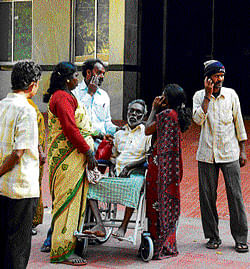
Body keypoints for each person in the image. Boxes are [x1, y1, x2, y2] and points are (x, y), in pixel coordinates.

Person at [43, 62, 99, 266]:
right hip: (68, 158)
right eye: (75, 75)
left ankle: (68, 244)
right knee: (66, 203)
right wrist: (88, 152)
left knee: (73, 201)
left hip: (72, 157)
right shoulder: (62, 97)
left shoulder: (67, 96)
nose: (78, 79)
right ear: (67, 79)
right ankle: (61, 251)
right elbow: (69, 128)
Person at [192, 60, 248, 253]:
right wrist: (207, 97)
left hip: (229, 152)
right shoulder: (199, 96)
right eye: (216, 76)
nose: (220, 80)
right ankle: (213, 237)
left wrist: (243, 150)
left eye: (222, 76)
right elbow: (198, 120)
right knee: (207, 198)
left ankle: (241, 238)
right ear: (208, 78)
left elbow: (239, 122)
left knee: (235, 196)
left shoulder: (231, 95)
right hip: (206, 154)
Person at [85, 99, 151, 238]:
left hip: (136, 172)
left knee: (134, 185)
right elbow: (113, 156)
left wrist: (129, 167)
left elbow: (148, 157)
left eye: (138, 112)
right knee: (91, 185)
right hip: (118, 174)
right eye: (131, 111)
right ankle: (99, 224)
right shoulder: (119, 134)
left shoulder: (147, 133)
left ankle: (123, 226)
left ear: (144, 116)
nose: (133, 114)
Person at [0, 61, 41, 269]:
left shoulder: (2, 105)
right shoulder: (26, 109)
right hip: (21, 189)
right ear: (33, 84)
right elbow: (18, 153)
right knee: (18, 249)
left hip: (3, 188)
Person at [145, 84, 191, 259]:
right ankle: (168, 242)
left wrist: (153, 108)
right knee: (168, 204)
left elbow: (147, 130)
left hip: (160, 169)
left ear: (167, 99)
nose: (160, 98)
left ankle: (158, 242)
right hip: (171, 170)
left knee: (156, 204)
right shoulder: (176, 115)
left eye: (163, 95)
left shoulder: (165, 115)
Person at [72, 58, 118, 148]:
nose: (102, 77)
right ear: (88, 73)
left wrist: (117, 129)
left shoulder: (104, 96)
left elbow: (106, 123)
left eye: (103, 74)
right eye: (99, 73)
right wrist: (89, 94)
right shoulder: (75, 92)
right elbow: (77, 117)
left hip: (100, 145)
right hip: (81, 144)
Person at [27, 98, 47, 235]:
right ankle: (28, 222)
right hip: (28, 156)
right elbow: (35, 135)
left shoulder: (5, 104)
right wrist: (40, 152)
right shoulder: (30, 108)